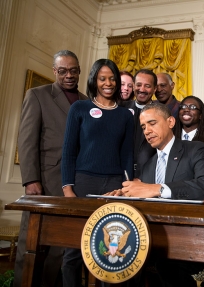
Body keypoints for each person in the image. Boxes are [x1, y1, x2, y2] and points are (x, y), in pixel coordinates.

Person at [15, 50, 87, 287]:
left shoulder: (86, 101)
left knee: (62, 247)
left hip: (76, 184)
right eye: (63, 70)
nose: (69, 75)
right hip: (45, 180)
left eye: (73, 70)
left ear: (79, 71)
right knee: (32, 244)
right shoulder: (38, 95)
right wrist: (30, 179)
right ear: (55, 71)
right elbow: (27, 140)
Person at [61, 58, 134, 287]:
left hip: (113, 187)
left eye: (112, 78)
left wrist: (127, 187)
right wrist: (67, 188)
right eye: (102, 78)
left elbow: (127, 157)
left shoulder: (126, 116)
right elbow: (69, 150)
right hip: (83, 184)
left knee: (108, 256)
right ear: (94, 80)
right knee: (73, 252)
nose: (108, 83)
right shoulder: (79, 108)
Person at [107, 102, 204, 200]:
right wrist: (126, 195)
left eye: (152, 123)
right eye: (143, 127)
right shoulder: (148, 166)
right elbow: (146, 194)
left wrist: (159, 189)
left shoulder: (195, 149)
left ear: (170, 122)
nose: (147, 131)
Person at [122, 69, 157, 178]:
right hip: (120, 173)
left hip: (148, 174)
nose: (142, 89)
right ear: (133, 85)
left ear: (155, 89)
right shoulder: (121, 108)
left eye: (147, 86)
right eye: (138, 85)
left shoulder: (161, 113)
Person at [174, 96, 204, 172]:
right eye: (183, 106)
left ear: (200, 115)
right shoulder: (169, 137)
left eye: (192, 107)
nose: (186, 109)